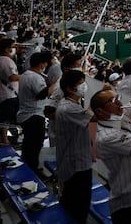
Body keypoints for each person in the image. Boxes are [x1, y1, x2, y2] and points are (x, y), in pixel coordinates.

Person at [91, 88, 131, 224]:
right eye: (113, 100)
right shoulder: (106, 137)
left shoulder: (117, 115)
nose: (119, 102)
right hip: (128, 200)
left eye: (118, 97)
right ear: (100, 111)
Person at [54, 70, 95, 223]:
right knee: (78, 208)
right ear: (70, 88)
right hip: (76, 165)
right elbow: (98, 116)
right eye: (80, 83)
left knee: (72, 204)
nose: (84, 86)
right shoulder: (69, 108)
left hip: (76, 162)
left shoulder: (72, 104)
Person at [17, 51, 54, 177]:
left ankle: (30, 168)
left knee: (29, 145)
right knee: (34, 146)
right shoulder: (35, 77)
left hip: (26, 114)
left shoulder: (26, 74)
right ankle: (31, 172)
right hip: (33, 115)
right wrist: (55, 84)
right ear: (41, 64)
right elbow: (42, 94)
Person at [0, 38, 19, 145]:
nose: (15, 49)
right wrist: (25, 77)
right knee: (5, 119)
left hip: (0, 93)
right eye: (13, 47)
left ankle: (1, 138)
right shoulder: (7, 61)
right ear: (7, 49)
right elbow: (12, 77)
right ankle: (4, 140)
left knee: (1, 118)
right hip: (8, 94)